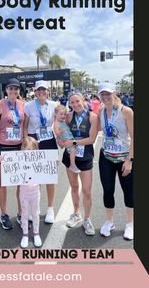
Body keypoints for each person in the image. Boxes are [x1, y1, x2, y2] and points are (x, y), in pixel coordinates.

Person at [97, 82, 134, 240]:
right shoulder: (101, 111)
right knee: (107, 190)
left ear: (115, 94)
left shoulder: (126, 111)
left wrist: (129, 160)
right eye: (102, 94)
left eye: (108, 93)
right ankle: (109, 222)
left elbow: (134, 137)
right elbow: (96, 129)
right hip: (106, 157)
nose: (105, 97)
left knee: (129, 191)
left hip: (124, 158)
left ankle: (130, 224)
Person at [58, 92, 98, 236]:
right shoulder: (68, 116)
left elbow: (92, 139)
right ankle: (76, 213)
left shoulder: (93, 117)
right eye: (72, 102)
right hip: (70, 155)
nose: (75, 104)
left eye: (77, 101)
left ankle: (87, 219)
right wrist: (60, 139)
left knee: (86, 190)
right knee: (74, 187)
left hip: (85, 156)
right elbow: (61, 131)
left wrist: (74, 142)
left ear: (83, 100)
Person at [0, 78, 25, 230]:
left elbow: (25, 124)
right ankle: (4, 214)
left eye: (16, 89)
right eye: (10, 88)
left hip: (18, 147)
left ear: (19, 91)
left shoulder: (22, 104)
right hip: (3, 148)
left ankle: (20, 212)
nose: (13, 91)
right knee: (3, 183)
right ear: (6, 90)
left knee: (20, 182)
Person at [23, 80, 58, 224]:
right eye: (38, 90)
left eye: (44, 90)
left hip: (49, 140)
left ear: (48, 91)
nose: (41, 92)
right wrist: (26, 142)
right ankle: (33, 209)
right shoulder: (28, 105)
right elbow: (24, 126)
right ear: (35, 92)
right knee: (33, 177)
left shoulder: (54, 105)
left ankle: (50, 208)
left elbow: (60, 122)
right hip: (34, 141)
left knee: (50, 176)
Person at [18, 137, 42, 248]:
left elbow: (48, 168)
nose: (30, 152)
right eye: (27, 149)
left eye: (33, 150)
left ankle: (36, 233)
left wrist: (54, 162)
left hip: (35, 192)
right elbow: (8, 167)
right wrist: (2, 159)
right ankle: (25, 234)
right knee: (25, 214)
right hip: (24, 193)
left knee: (36, 213)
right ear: (22, 150)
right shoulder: (19, 161)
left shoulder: (39, 162)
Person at [53, 104, 80, 173]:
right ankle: (72, 165)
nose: (63, 116)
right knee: (73, 150)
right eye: (61, 114)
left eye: (64, 114)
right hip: (65, 140)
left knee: (74, 150)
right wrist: (60, 132)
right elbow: (56, 133)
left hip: (69, 139)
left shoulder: (62, 122)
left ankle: (73, 162)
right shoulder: (56, 123)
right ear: (56, 114)